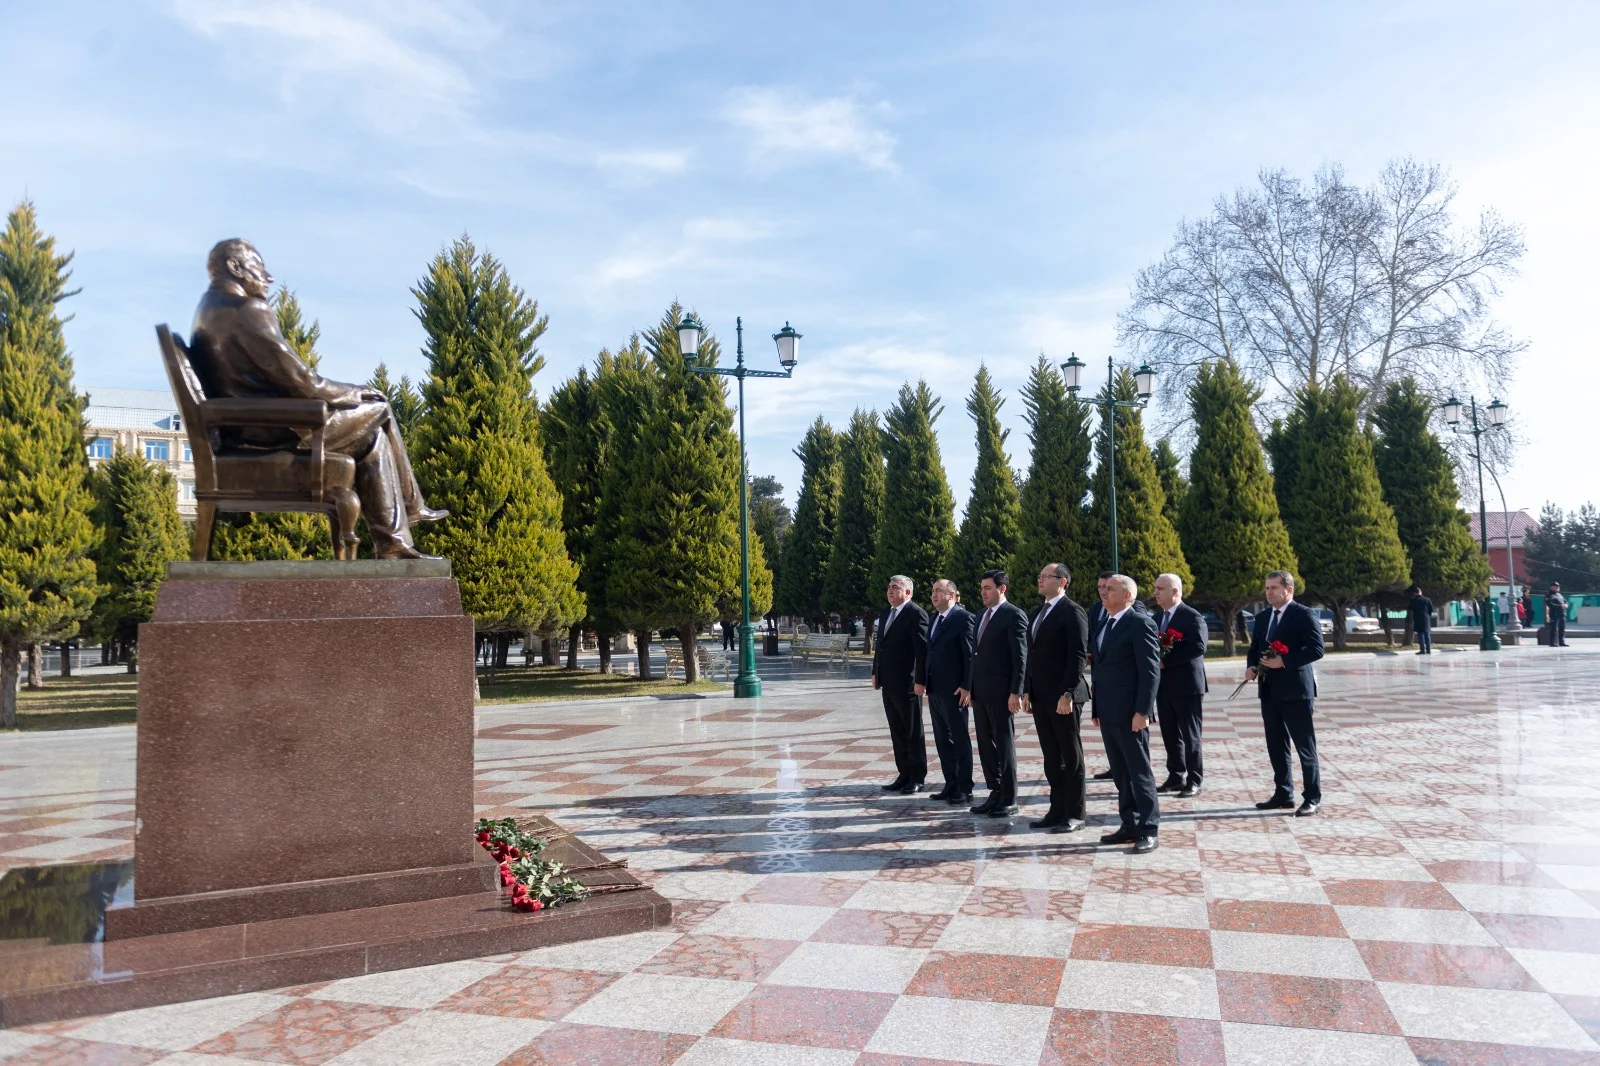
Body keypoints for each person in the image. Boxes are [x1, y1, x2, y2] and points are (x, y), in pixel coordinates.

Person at [189, 239, 446, 559]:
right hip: (271, 431)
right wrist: (355, 392)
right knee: (379, 408)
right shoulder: (248, 310)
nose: (268, 278)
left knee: (373, 440)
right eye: (260, 267)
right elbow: (303, 382)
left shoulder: (208, 309)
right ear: (235, 267)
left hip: (248, 427)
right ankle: (411, 509)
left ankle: (395, 543)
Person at [1090, 574, 1162, 853]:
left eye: (1111, 589)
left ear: (1128, 596)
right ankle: (1129, 823)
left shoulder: (1139, 623)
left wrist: (1143, 711)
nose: (1104, 593)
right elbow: (1099, 670)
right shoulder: (1105, 622)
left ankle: (1148, 828)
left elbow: (1150, 672)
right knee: (1120, 774)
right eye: (1104, 589)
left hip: (1131, 714)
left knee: (1138, 773)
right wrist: (1097, 708)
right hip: (1108, 712)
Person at [1245, 570, 1326, 816]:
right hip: (1269, 690)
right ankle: (1283, 792)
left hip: (1296, 691)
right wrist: (1251, 666)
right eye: (1267, 588)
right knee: (1275, 744)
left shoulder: (1304, 615)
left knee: (1304, 745)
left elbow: (1316, 649)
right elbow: (1255, 646)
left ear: (1288, 590)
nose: (1268, 593)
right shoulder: (1262, 618)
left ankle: (1312, 796)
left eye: (1273, 588)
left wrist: (1285, 661)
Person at [1024, 564, 1091, 833]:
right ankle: (1057, 809)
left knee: (1070, 755)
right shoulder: (1037, 612)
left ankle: (1075, 813)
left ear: (1062, 581)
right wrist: (1028, 690)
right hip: (1041, 696)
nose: (1039, 580)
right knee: (1052, 757)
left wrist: (1068, 693)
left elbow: (1077, 656)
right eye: (1039, 576)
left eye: (1045, 577)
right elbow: (1032, 656)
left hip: (1065, 696)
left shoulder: (1072, 612)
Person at [958, 569, 1029, 817]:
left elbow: (1020, 658)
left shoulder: (1014, 615)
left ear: (1002, 589)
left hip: (1002, 693)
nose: (983, 592)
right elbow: (974, 656)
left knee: (1004, 745)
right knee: (986, 746)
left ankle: (1009, 797)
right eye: (982, 588)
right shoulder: (979, 615)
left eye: (988, 588)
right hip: (981, 693)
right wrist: (969, 687)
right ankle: (994, 792)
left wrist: (1016, 692)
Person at [916, 579, 976, 804]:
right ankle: (950, 783)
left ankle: (965, 787)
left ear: (951, 595)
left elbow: (970, 655)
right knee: (942, 739)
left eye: (938, 591)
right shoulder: (934, 620)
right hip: (935, 689)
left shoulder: (963, 618)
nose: (933, 595)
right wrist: (922, 681)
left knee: (959, 738)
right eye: (932, 591)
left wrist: (968, 685)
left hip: (956, 690)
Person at [872, 575, 929, 793]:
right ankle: (903, 773)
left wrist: (921, 680)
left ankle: (917, 776)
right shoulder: (886, 612)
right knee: (897, 730)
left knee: (913, 731)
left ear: (908, 593)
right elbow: (880, 645)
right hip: (888, 682)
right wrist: (875, 672)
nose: (889, 590)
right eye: (888, 587)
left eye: (895, 587)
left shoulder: (916, 614)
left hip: (909, 684)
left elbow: (922, 651)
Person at [1153, 573, 1207, 798]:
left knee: (1190, 734)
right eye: (1155, 588)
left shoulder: (1191, 617)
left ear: (1175, 591)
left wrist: (1167, 661)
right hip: (1163, 686)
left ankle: (1194, 779)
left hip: (1187, 686)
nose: (1155, 592)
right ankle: (1176, 775)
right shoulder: (1156, 618)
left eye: (1160, 588)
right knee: (1169, 733)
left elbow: (1198, 647)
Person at [1087, 572, 1118, 783]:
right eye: (1099, 586)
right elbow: (1091, 637)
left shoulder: (1134, 609)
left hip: (1121, 683)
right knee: (1106, 728)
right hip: (1100, 678)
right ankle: (1114, 766)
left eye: (1107, 586)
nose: (1103, 591)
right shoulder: (1096, 609)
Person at [1408, 586, 1434, 655]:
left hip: (1418, 619)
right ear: (1421, 592)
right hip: (1426, 619)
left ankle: (1422, 650)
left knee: (1421, 635)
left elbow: (1409, 608)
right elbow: (1431, 610)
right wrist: (1427, 615)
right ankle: (1429, 650)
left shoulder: (1414, 600)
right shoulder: (1427, 599)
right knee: (1427, 635)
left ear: (1415, 593)